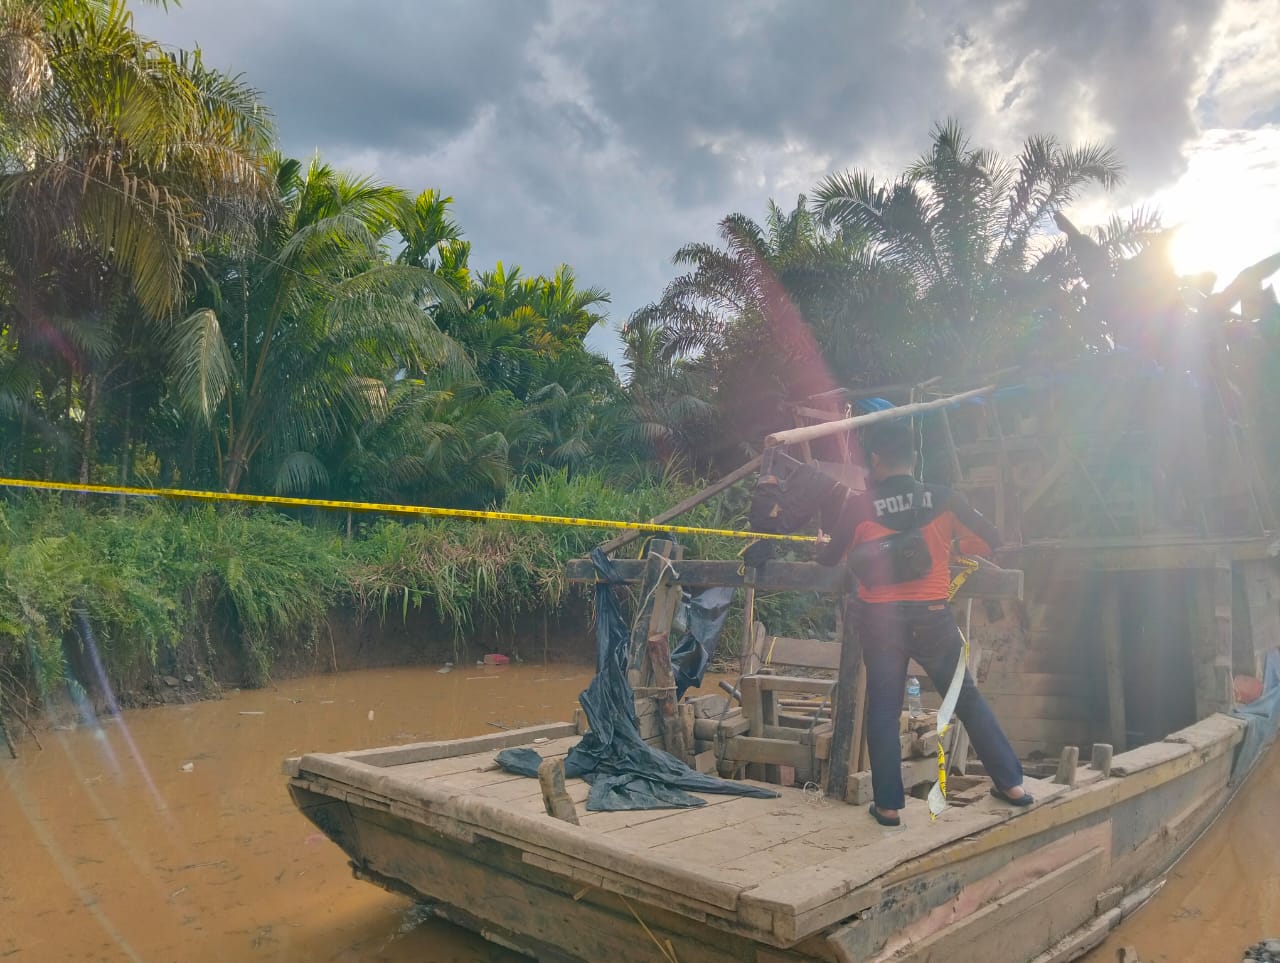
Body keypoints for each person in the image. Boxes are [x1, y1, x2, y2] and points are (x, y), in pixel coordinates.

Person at [819, 418, 1031, 827]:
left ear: (876, 460)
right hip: (933, 618)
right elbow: (991, 538)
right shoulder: (944, 499)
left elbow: (831, 559)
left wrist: (824, 547)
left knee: (883, 709)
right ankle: (1011, 785)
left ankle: (888, 806)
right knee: (964, 698)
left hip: (879, 620)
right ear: (913, 459)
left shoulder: (859, 506)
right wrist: (949, 547)